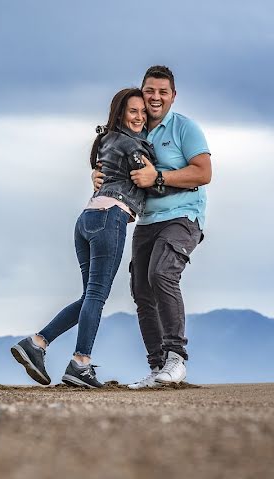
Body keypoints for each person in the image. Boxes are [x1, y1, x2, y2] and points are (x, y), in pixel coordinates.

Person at [11, 88, 158, 389]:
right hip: (110, 219)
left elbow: (102, 167)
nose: (140, 117)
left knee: (89, 296)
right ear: (120, 113)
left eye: (143, 112)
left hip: (86, 220)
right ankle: (81, 363)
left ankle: (37, 343)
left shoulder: (106, 140)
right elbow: (153, 184)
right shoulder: (134, 146)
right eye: (133, 111)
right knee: (96, 296)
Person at [93, 65, 212, 389]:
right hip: (146, 219)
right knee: (141, 290)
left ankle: (176, 358)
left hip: (183, 216)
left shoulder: (185, 128)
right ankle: (158, 368)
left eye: (163, 92)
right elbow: (113, 161)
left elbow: (203, 172)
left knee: (162, 274)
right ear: (142, 93)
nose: (155, 97)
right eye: (150, 91)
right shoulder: (137, 130)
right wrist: (98, 176)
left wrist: (158, 177)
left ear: (173, 96)